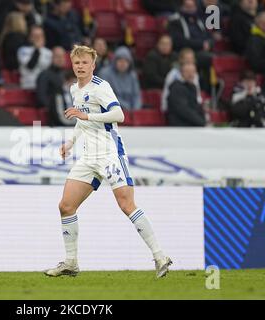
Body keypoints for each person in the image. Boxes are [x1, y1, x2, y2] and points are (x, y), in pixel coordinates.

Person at [43, 45, 172, 278]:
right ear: (72, 65)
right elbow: (82, 122)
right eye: (77, 63)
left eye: (85, 63)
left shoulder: (101, 87)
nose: (80, 66)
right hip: (88, 157)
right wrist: (70, 143)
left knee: (126, 205)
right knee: (66, 206)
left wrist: (86, 115)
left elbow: (118, 115)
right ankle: (71, 262)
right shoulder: (74, 89)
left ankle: (160, 256)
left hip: (110, 153)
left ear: (93, 65)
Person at [36, 46, 75, 126]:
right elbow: (41, 97)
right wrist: (53, 108)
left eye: (62, 56)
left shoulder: (68, 75)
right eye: (57, 56)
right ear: (51, 58)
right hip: (55, 117)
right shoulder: (44, 75)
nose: (60, 59)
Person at [98, 46, 143, 110]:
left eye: (126, 61)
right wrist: (126, 106)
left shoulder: (132, 75)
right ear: (115, 61)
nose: (123, 63)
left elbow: (137, 95)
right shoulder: (104, 73)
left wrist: (136, 109)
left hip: (131, 111)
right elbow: (107, 96)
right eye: (120, 60)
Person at [167, 62, 207, 126]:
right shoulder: (176, 88)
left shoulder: (193, 87)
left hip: (191, 125)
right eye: (187, 72)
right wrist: (201, 122)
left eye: (193, 72)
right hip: (179, 127)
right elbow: (183, 110)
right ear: (182, 73)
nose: (190, 74)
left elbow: (195, 107)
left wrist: (203, 120)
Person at [17, 25, 52, 90]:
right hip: (29, 85)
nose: (38, 38)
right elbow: (30, 66)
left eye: (40, 36)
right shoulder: (23, 50)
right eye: (35, 36)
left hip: (45, 87)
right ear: (30, 37)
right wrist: (37, 49)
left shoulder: (49, 52)